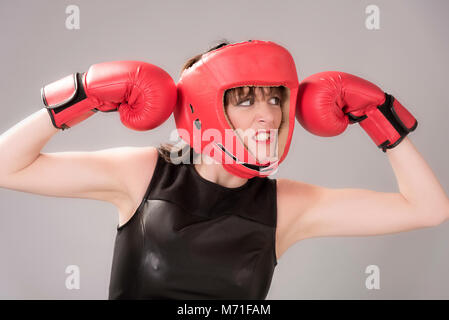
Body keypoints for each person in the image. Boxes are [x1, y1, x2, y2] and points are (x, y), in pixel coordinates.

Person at [0, 40, 448, 300]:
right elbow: (7, 167)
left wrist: (379, 116)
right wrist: (81, 95)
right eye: (246, 99)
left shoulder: (286, 206)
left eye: (275, 99)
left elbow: (428, 209)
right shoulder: (146, 174)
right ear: (204, 107)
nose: (268, 116)